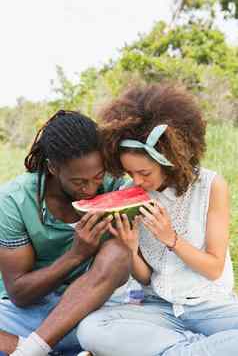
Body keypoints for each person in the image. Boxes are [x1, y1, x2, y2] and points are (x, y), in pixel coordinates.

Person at [77, 83, 238, 356]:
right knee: (90, 328)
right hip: (160, 308)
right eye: (129, 172)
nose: (136, 181)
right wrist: (130, 250)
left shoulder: (211, 186)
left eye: (144, 172)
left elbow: (213, 268)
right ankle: (189, 350)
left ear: (170, 159)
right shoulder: (129, 193)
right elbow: (146, 278)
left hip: (210, 305)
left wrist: (171, 239)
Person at [0, 110, 131, 356]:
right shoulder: (13, 201)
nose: (91, 189)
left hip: (90, 308)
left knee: (117, 252)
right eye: (79, 182)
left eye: (97, 176)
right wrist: (76, 255)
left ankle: (29, 350)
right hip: (27, 313)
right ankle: (34, 348)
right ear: (52, 168)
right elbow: (19, 294)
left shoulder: (114, 186)